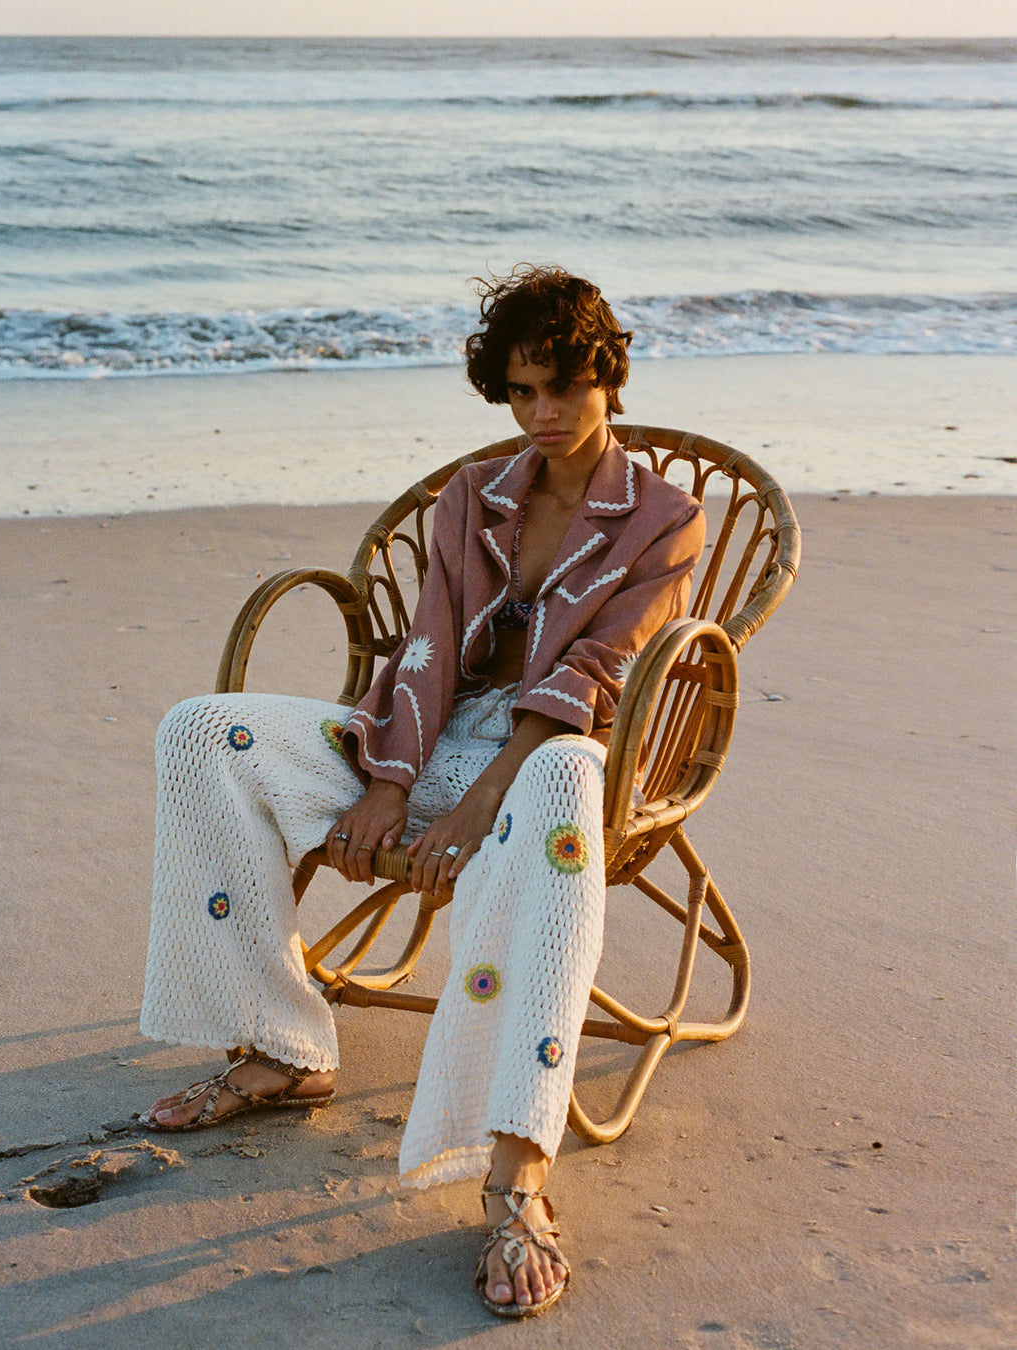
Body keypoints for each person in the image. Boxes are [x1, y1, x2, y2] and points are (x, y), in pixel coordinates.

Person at [139, 265, 706, 1318]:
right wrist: (390, 783)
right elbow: (429, 644)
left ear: (608, 379)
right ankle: (281, 1043)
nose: (542, 414)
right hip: (423, 726)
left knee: (562, 782)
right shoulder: (474, 494)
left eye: (564, 390)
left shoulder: (665, 519)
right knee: (200, 731)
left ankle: (517, 1169)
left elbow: (597, 676)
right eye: (521, 391)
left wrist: (482, 797)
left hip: (559, 754)